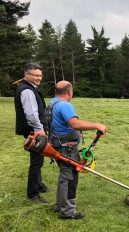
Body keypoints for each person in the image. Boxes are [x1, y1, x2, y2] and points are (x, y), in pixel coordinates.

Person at [48, 81, 106, 220]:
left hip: (56, 144)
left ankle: (59, 205)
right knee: (70, 178)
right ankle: (68, 211)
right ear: (69, 92)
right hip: (65, 147)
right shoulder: (64, 105)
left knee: (64, 175)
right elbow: (75, 124)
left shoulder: (52, 103)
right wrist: (96, 125)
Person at [14, 63, 49, 203]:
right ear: (27, 75)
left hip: (33, 129)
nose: (39, 78)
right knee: (36, 161)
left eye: (40, 75)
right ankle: (33, 194)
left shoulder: (28, 88)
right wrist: (39, 129)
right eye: (36, 75)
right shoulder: (27, 91)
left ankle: (39, 185)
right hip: (34, 130)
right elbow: (31, 114)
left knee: (38, 159)